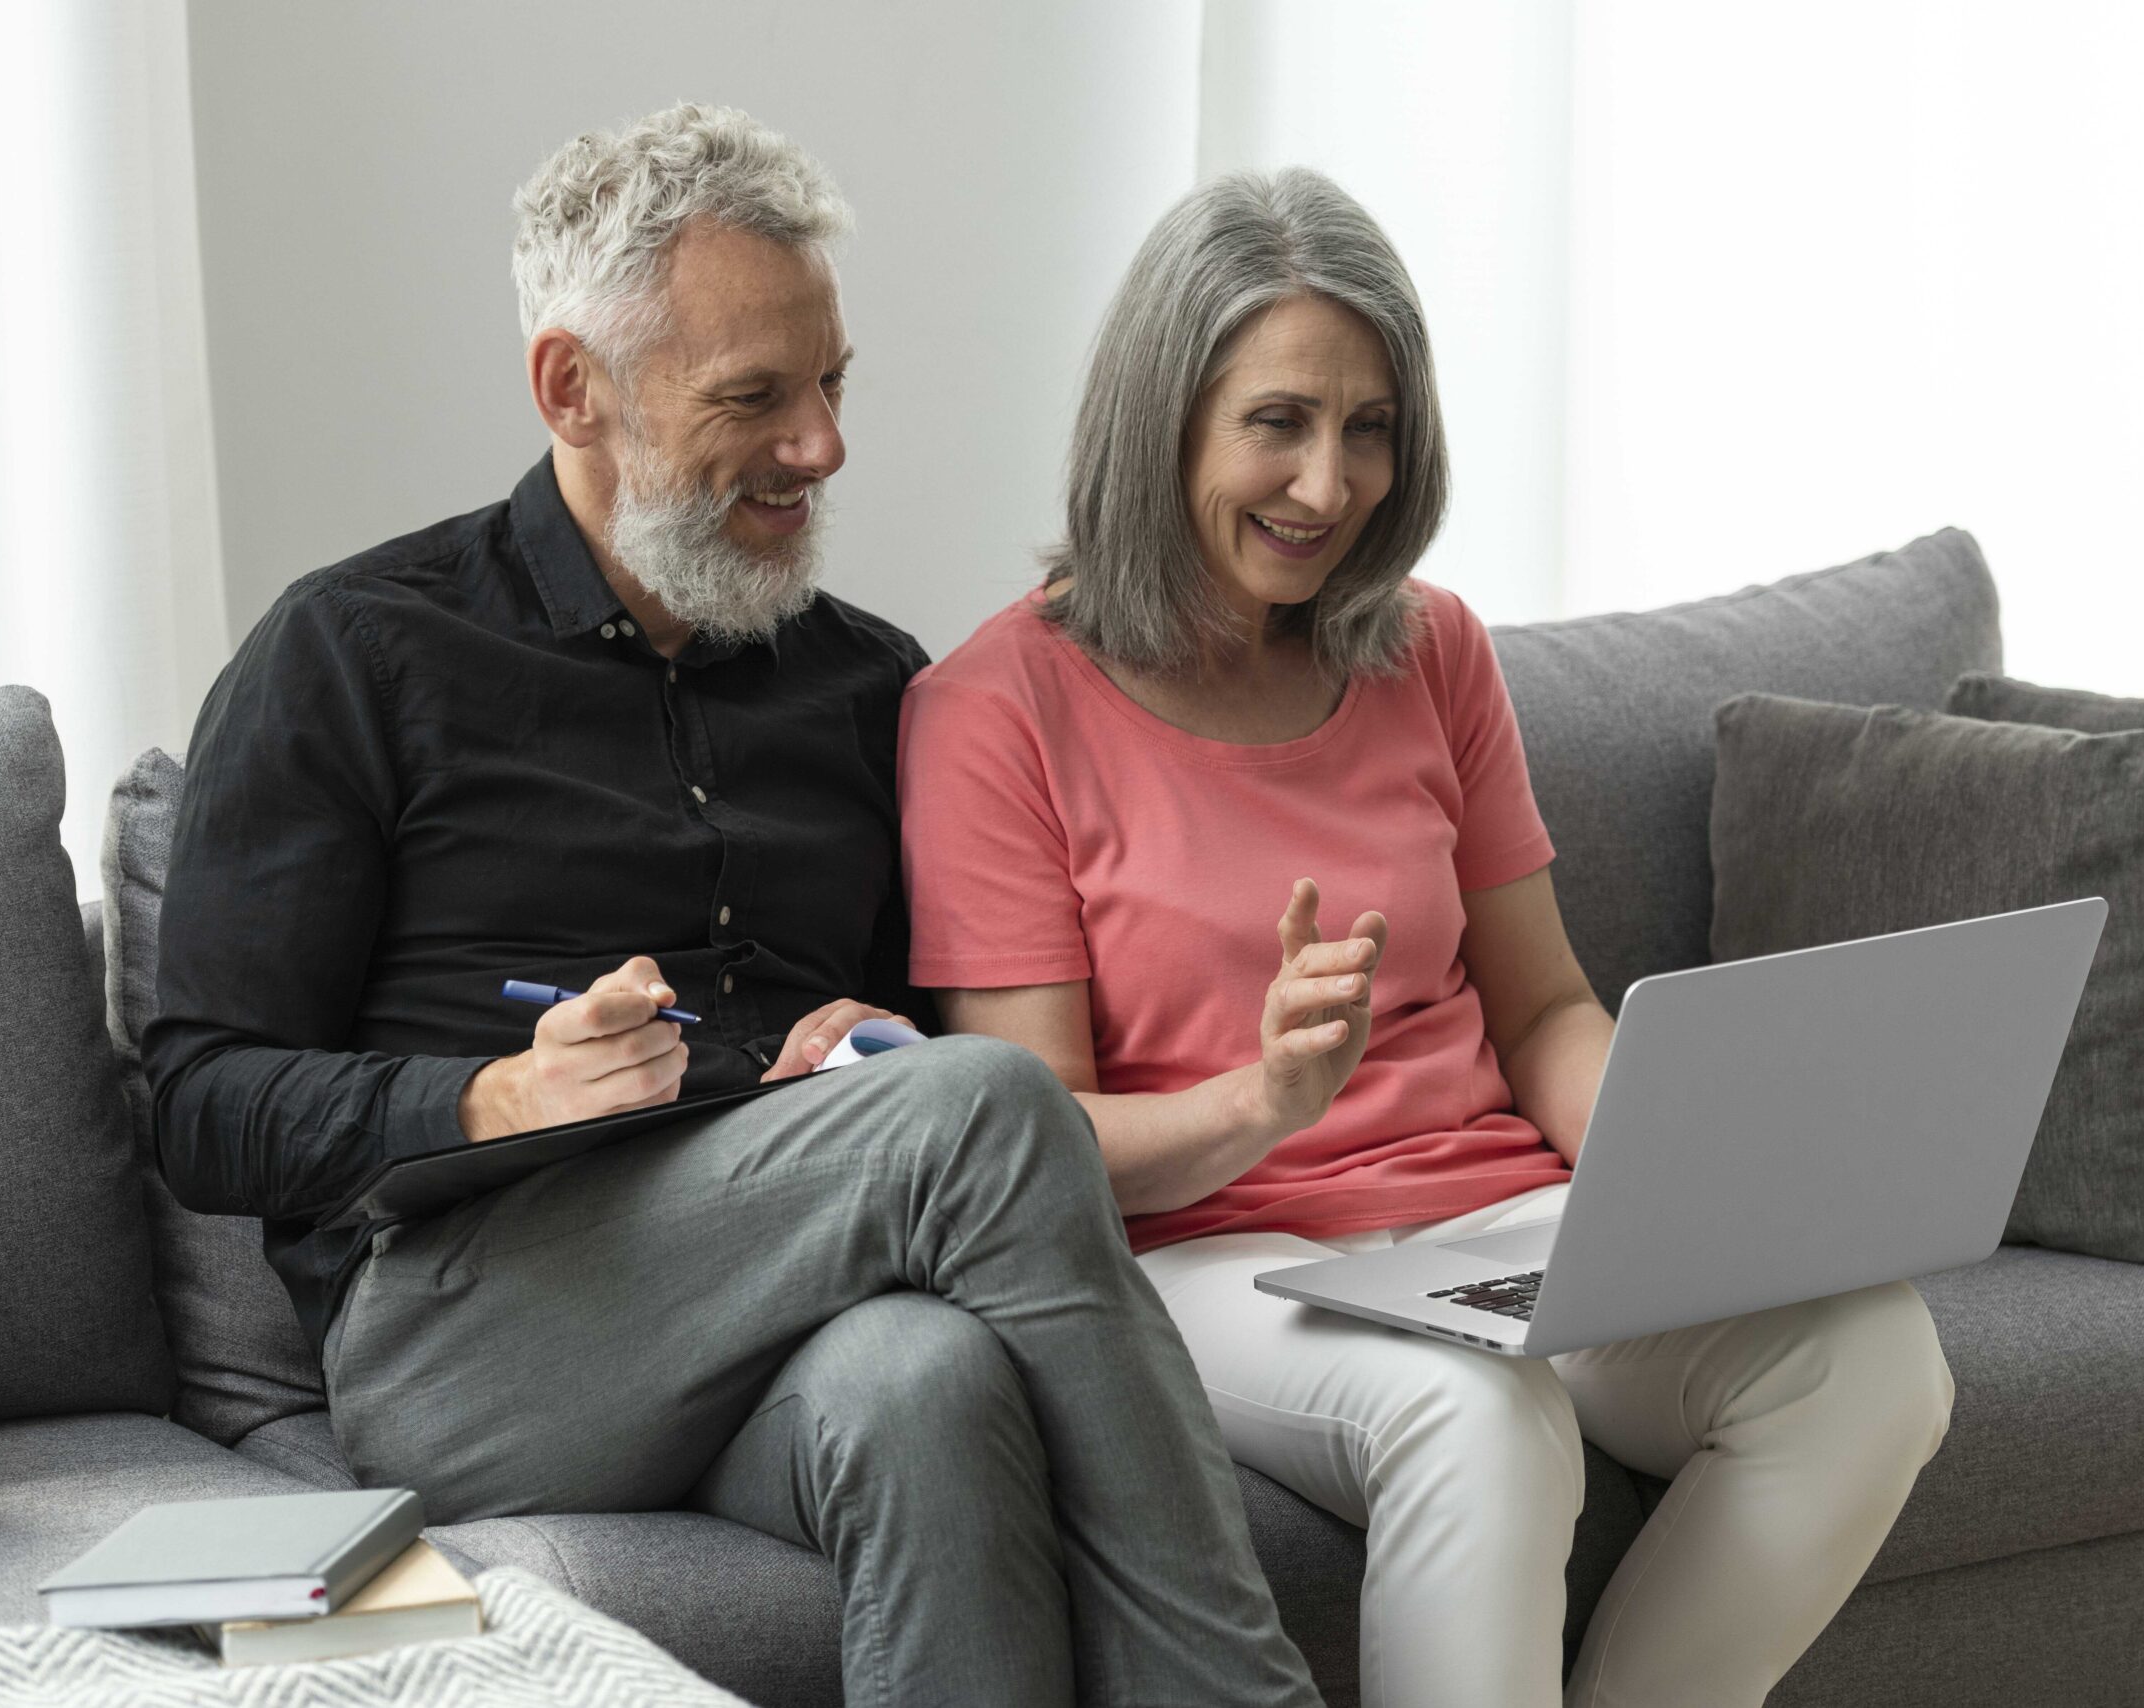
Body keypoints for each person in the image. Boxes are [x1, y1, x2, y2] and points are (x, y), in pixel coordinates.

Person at [145, 105, 1322, 1708]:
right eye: (754, 398)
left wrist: (865, 1047)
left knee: (927, 1381)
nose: (821, 447)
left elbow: (911, 1080)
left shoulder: (863, 683)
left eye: (833, 384)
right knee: (976, 1113)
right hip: (473, 1333)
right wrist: (493, 1094)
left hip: (792, 1294)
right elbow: (202, 1103)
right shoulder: (354, 654)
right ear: (574, 388)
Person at [898, 167, 1957, 1708]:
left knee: (1867, 1360)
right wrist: (1260, 1100)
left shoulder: (1430, 650)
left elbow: (1542, 1016)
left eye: (1369, 427)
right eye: (1278, 421)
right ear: (1162, 417)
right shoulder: (996, 707)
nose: (1329, 486)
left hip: (1484, 1226)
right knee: (1481, 1414)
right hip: (1214, 1260)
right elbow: (1025, 1138)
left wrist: (1699, 1170)